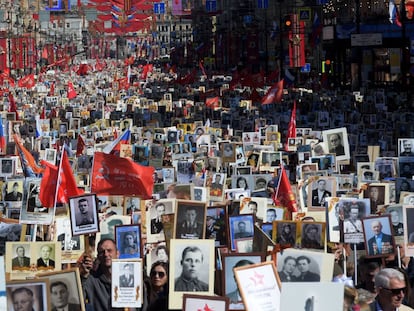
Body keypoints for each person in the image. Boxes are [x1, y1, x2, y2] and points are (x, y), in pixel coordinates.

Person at [77, 238, 121, 311]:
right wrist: (84, 276)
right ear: (98, 256)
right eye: (102, 252)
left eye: (109, 251)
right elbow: (78, 301)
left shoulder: (129, 278)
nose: (106, 254)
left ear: (117, 253)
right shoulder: (92, 279)